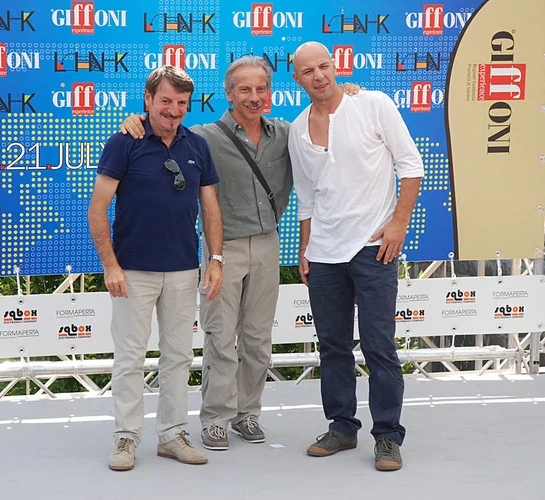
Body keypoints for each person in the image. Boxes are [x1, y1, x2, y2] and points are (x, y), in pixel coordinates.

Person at [120, 58, 359, 451]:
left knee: (257, 338)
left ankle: (248, 415)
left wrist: (350, 94)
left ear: (270, 92)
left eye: (260, 89)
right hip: (222, 249)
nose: (253, 97)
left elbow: (329, 117)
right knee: (219, 336)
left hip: (268, 244)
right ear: (229, 95)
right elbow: (164, 126)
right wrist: (136, 122)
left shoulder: (287, 132)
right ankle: (215, 418)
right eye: (244, 90)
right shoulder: (204, 136)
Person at [288, 42, 424, 471]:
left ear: (336, 66)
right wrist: (305, 246)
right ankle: (342, 428)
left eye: (324, 66)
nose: (318, 76)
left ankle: (387, 437)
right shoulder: (296, 128)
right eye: (308, 71)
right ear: (298, 79)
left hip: (373, 248)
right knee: (332, 346)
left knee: (379, 344)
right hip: (324, 253)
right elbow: (306, 196)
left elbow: (411, 164)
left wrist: (399, 223)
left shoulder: (373, 104)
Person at [88, 65, 223, 471]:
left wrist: (214, 260)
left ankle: (172, 435)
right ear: (148, 101)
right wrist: (110, 265)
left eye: (181, 103)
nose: (174, 109)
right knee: (130, 358)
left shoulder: (197, 145)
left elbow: (211, 208)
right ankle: (126, 439)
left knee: (179, 357)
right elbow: (98, 211)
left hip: (184, 270)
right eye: (166, 101)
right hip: (132, 271)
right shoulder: (123, 142)